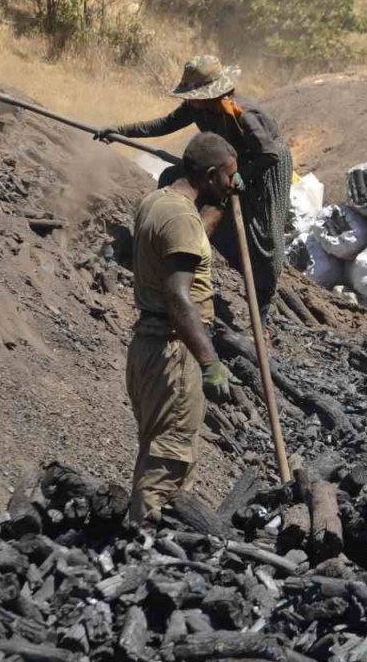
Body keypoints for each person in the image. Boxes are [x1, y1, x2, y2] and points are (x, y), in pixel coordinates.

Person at [97, 55, 292, 323]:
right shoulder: (197, 108)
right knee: (171, 177)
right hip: (226, 162)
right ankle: (174, 240)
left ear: (211, 93)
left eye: (194, 93)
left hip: (263, 164)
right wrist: (120, 131)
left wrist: (243, 175)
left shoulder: (242, 114)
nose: (189, 98)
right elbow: (163, 125)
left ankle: (261, 311)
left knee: (264, 236)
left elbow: (268, 153)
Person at [126, 132, 237, 524]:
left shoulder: (159, 203)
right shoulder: (179, 217)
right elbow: (178, 296)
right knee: (169, 459)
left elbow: (189, 245)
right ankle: (148, 551)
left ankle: (153, 543)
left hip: (149, 343)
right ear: (209, 175)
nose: (231, 183)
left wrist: (216, 208)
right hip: (173, 350)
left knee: (159, 449)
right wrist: (208, 361)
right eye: (227, 177)